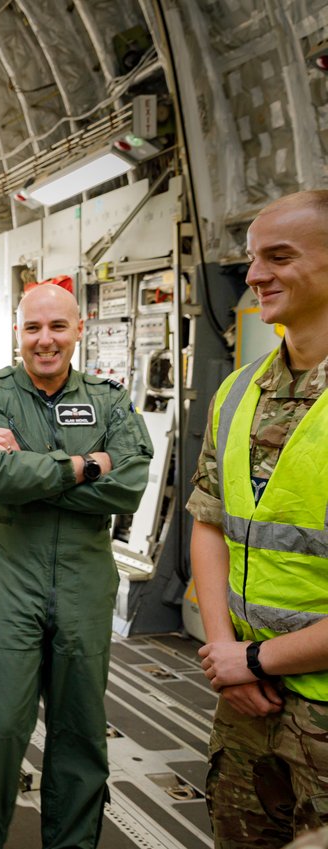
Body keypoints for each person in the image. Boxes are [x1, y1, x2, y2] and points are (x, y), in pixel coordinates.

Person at [0, 282, 154, 849]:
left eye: (57, 327)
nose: (46, 341)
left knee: (81, 736)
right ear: (18, 332)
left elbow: (129, 489)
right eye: (33, 328)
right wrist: (90, 464)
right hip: (9, 586)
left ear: (79, 329)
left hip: (84, 587)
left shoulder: (111, 400)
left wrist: (33, 472)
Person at [189, 190, 328, 847]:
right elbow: (210, 520)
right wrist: (225, 654)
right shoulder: (238, 390)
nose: (253, 275)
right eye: (251, 259)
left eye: (279, 256)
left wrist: (253, 657)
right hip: (247, 706)